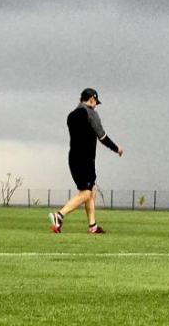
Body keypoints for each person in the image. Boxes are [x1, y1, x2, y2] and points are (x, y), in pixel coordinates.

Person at [49, 88, 123, 234]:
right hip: (86, 159)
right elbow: (102, 137)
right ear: (91, 99)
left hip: (73, 157)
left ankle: (93, 226)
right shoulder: (91, 114)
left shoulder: (71, 115)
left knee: (91, 190)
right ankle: (59, 216)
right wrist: (117, 148)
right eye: (96, 102)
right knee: (86, 194)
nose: (96, 105)